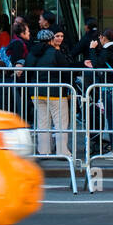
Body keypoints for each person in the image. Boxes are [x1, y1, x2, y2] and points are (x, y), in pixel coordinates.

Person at [27, 29, 74, 157]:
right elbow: (66, 70)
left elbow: (27, 71)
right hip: (55, 92)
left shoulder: (32, 53)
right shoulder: (55, 53)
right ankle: (62, 152)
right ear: (51, 40)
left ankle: (43, 151)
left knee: (42, 122)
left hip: (36, 92)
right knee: (60, 122)